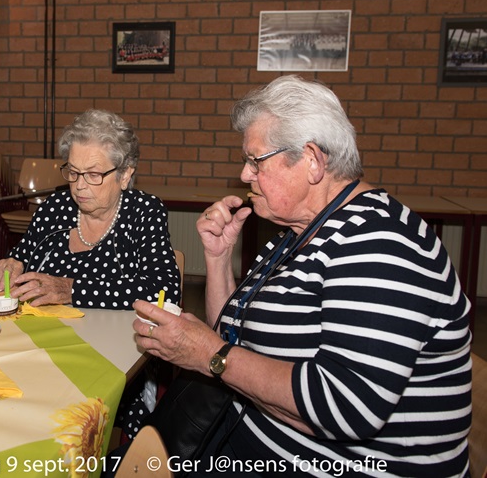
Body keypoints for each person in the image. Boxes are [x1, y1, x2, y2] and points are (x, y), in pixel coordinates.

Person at [131, 75, 471, 476]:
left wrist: (208, 356)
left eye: (255, 160)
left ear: (311, 160)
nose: (244, 175)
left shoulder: (378, 244)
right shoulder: (302, 234)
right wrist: (219, 259)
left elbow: (344, 408)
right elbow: (234, 336)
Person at [0, 108, 181, 310]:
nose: (79, 185)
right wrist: (8, 267)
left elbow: (164, 290)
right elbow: (14, 265)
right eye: (73, 171)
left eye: (93, 174)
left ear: (124, 175)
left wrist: (71, 289)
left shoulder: (143, 211)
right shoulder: (55, 208)